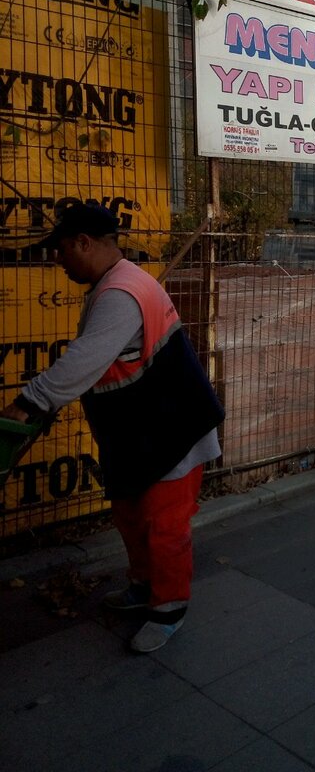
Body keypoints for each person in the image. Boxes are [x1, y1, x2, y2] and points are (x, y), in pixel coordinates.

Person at [0, 202, 224, 653]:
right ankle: (144, 587)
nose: (58, 260)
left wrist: (27, 404)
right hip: (141, 433)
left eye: (62, 250)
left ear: (84, 243)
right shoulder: (112, 285)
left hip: (172, 430)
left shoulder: (122, 292)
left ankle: (169, 608)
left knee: (164, 525)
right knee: (130, 515)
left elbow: (83, 361)